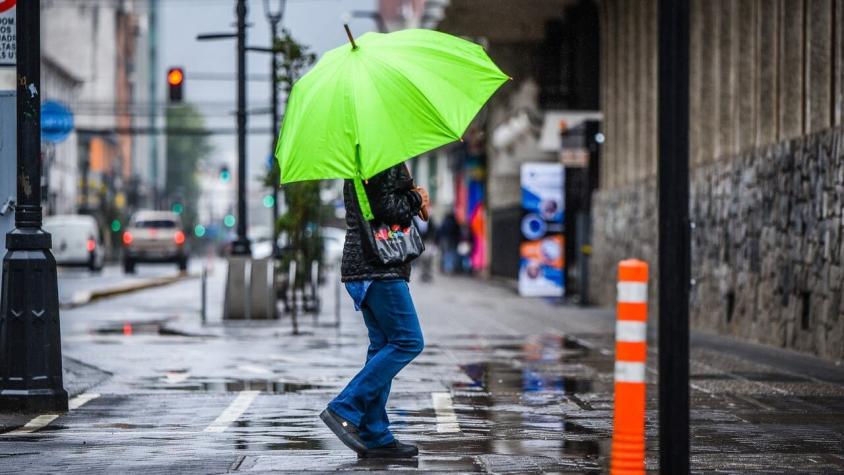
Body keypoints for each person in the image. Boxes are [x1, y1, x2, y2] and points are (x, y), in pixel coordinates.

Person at [320, 163, 429, 459]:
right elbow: (387, 208)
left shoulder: (358, 161)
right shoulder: (379, 158)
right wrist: (416, 199)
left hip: (364, 267)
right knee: (408, 341)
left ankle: (375, 434)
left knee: (383, 346)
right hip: (379, 267)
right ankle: (344, 407)